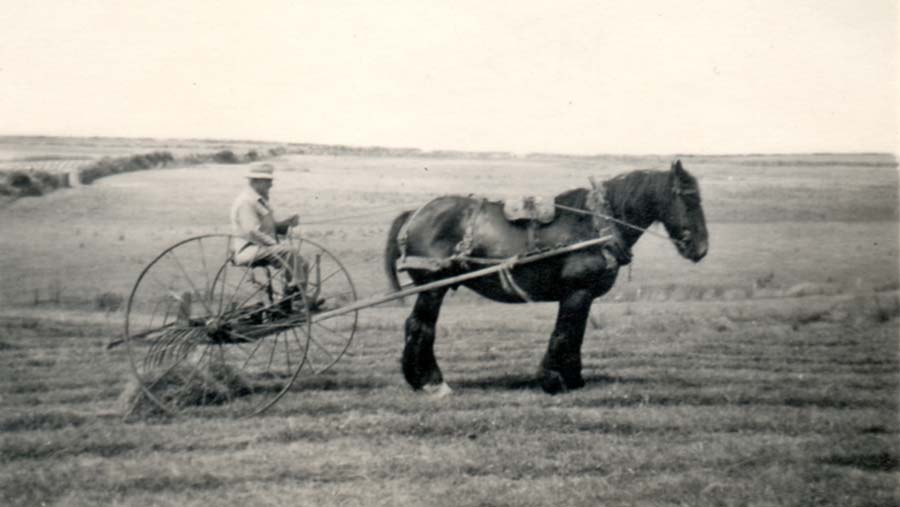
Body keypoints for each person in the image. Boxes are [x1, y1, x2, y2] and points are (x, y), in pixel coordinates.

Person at [230, 163, 306, 310]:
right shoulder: (246, 202)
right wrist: (274, 246)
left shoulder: (260, 201)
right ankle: (295, 297)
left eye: (270, 181)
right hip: (248, 250)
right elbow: (252, 231)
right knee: (290, 252)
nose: (271, 185)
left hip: (261, 248)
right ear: (256, 181)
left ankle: (292, 298)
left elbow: (268, 228)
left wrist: (287, 223)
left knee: (302, 262)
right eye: (268, 181)